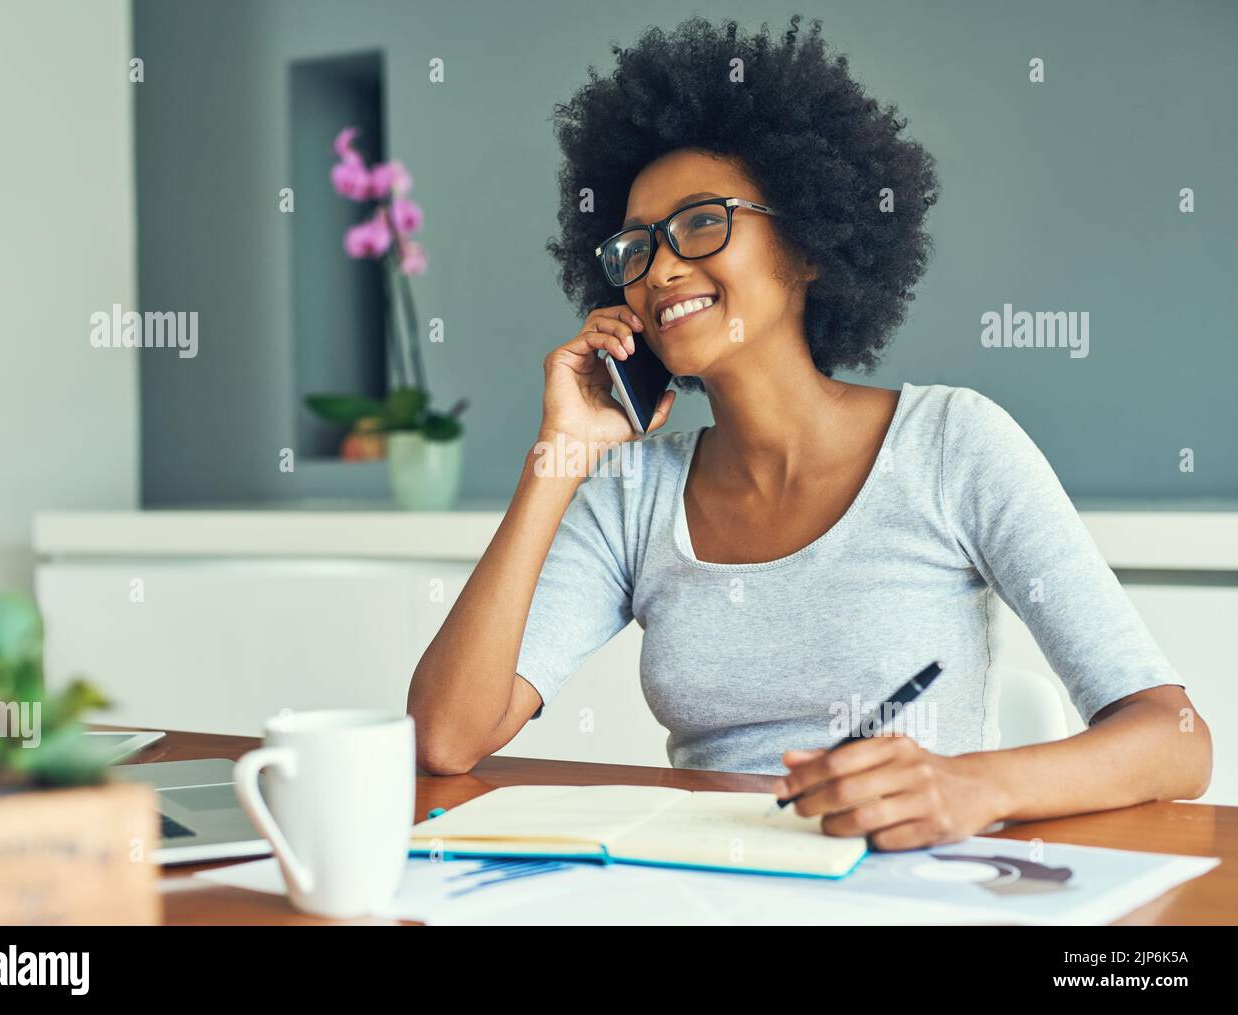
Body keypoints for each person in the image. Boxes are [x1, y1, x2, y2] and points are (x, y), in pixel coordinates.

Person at [408, 16, 1210, 850]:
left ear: (809, 245)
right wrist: (559, 454)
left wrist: (971, 786)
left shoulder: (953, 443)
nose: (662, 268)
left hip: (911, 890)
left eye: (701, 223)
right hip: (705, 890)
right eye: (636, 248)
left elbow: (1174, 739)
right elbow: (445, 738)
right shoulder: (632, 491)